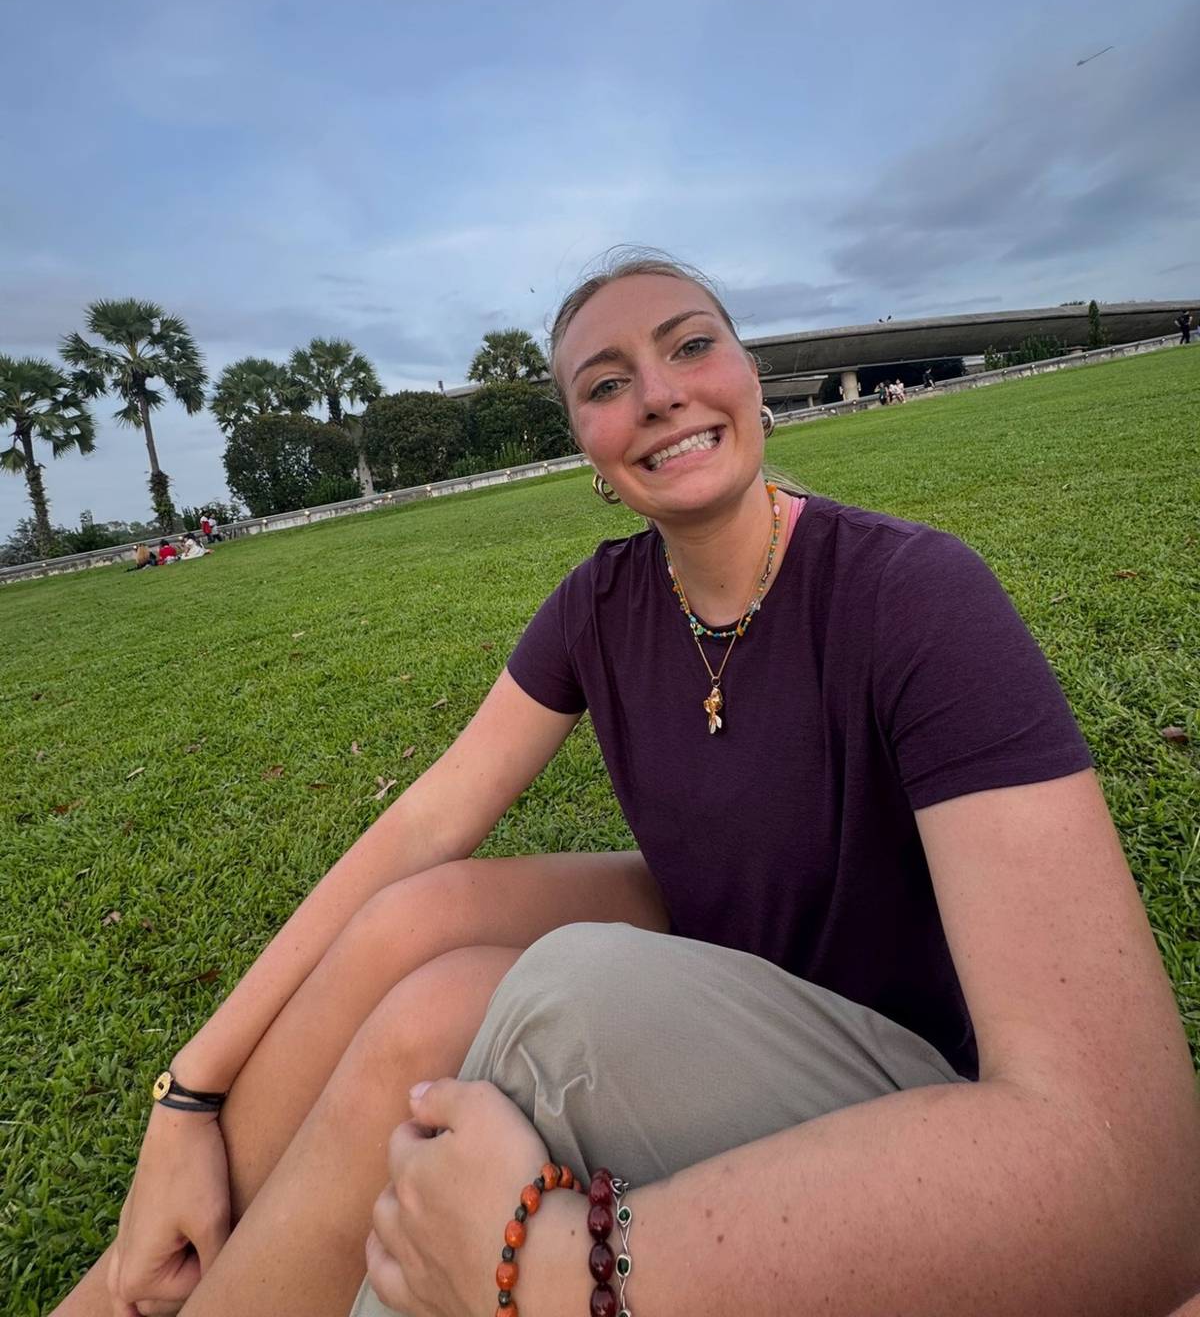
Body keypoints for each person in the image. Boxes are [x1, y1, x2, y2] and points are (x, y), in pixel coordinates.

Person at [53, 252, 1200, 1317]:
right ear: (587, 447)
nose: (658, 392)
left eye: (691, 346)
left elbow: (1138, 1178)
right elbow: (425, 823)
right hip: (740, 992)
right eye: (607, 382)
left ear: (751, 375)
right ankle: (131, 1282)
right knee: (424, 930)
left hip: (921, 1115)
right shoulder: (602, 608)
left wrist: (563, 1266)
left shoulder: (913, 594)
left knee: (549, 996)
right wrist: (185, 1094)